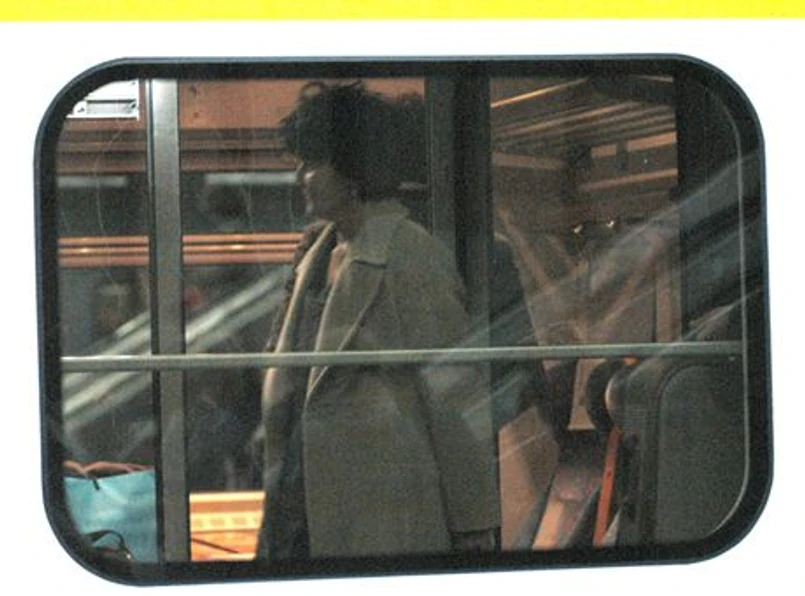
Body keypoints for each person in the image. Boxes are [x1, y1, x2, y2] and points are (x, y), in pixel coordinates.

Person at [256, 82, 500, 561]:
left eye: (313, 162)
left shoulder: (409, 255)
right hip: (300, 501)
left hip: (377, 506)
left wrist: (472, 521)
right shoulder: (317, 254)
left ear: (354, 170)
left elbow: (453, 394)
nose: (301, 176)